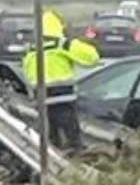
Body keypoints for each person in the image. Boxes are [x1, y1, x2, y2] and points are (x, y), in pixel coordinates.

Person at [23, 10, 100, 151]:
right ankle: (76, 161)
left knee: (51, 139)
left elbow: (27, 73)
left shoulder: (31, 50)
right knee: (73, 138)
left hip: (42, 102)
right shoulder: (62, 44)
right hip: (63, 99)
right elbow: (92, 57)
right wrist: (75, 43)